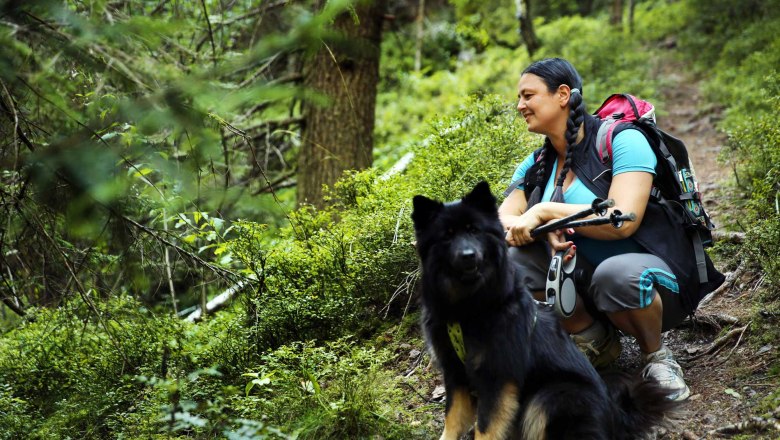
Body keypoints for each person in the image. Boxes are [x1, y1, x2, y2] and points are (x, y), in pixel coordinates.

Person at [499, 57, 723, 402]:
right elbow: (503, 220)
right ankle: (595, 341)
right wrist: (542, 228)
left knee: (616, 274)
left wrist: (545, 212)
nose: (520, 106)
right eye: (519, 97)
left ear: (562, 95)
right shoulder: (537, 164)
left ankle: (657, 357)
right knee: (514, 259)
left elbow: (623, 218)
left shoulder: (622, 140)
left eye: (528, 96)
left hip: (654, 280)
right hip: (588, 284)